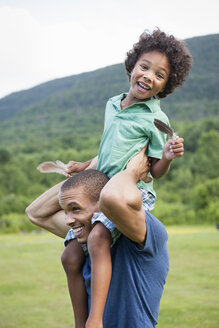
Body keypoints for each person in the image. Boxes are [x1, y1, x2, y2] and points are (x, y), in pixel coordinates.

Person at [57, 28, 192, 327]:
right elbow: (109, 151)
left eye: (160, 75)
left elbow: (152, 170)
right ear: (132, 66)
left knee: (98, 237)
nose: (148, 76)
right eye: (145, 67)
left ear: (165, 85)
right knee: (70, 258)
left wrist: (167, 157)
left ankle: (95, 320)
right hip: (101, 186)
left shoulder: (154, 119)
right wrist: (84, 164)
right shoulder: (112, 104)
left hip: (130, 192)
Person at [26, 149, 169, 328]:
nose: (68, 220)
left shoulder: (144, 230)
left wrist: (131, 172)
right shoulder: (87, 234)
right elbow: (35, 213)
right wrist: (91, 170)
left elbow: (111, 198)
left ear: (101, 206)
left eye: (76, 208)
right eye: (65, 211)